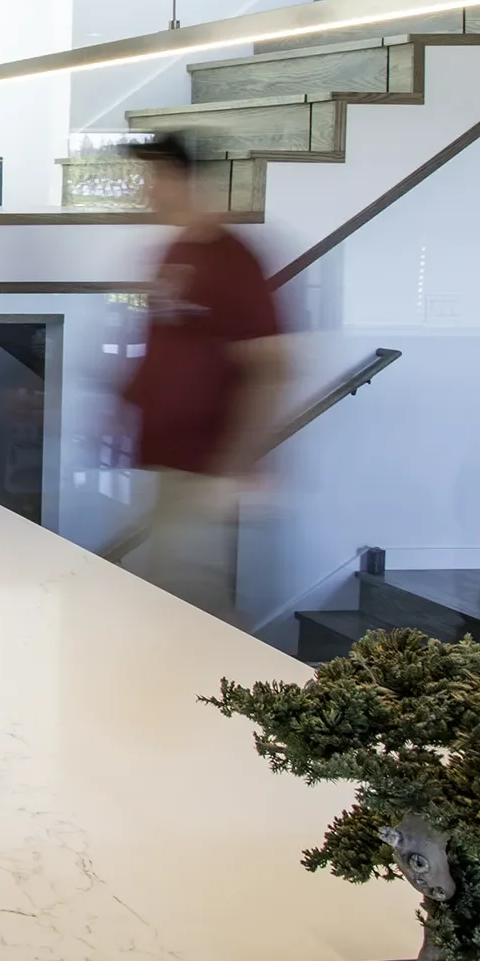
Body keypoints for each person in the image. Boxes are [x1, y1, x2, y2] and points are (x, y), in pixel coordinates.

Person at [119, 134, 288, 626]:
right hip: (166, 459)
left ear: (179, 178)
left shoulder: (234, 259)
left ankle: (214, 697)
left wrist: (236, 464)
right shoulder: (174, 250)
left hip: (205, 465)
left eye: (150, 180)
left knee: (191, 604)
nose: (145, 193)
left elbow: (270, 366)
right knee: (164, 590)